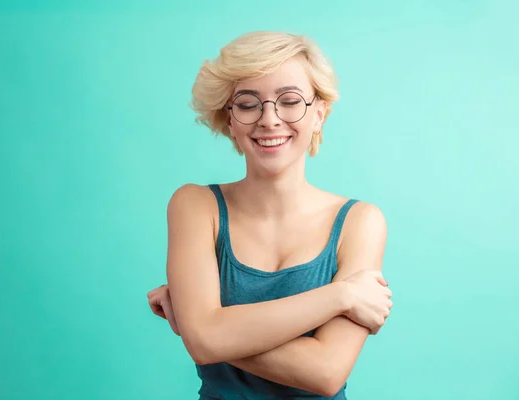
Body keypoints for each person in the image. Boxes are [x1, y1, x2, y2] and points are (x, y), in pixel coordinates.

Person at [146, 31, 393, 399]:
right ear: (229, 119)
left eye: (290, 101)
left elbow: (326, 374)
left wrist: (210, 329)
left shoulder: (360, 222)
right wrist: (340, 296)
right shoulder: (195, 206)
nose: (269, 119)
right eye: (248, 104)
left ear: (319, 114)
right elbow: (202, 342)